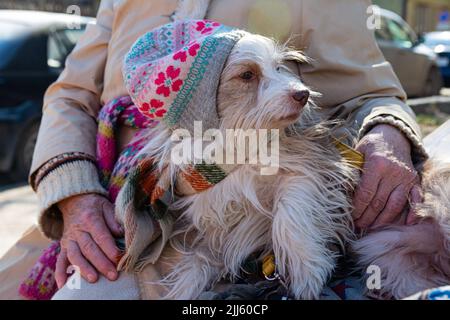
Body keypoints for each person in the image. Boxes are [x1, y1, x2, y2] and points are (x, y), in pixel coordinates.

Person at [30, 0, 428, 299]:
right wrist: (75, 196)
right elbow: (71, 95)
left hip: (258, 208)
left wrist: (387, 133)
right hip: (124, 209)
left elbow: (374, 93)